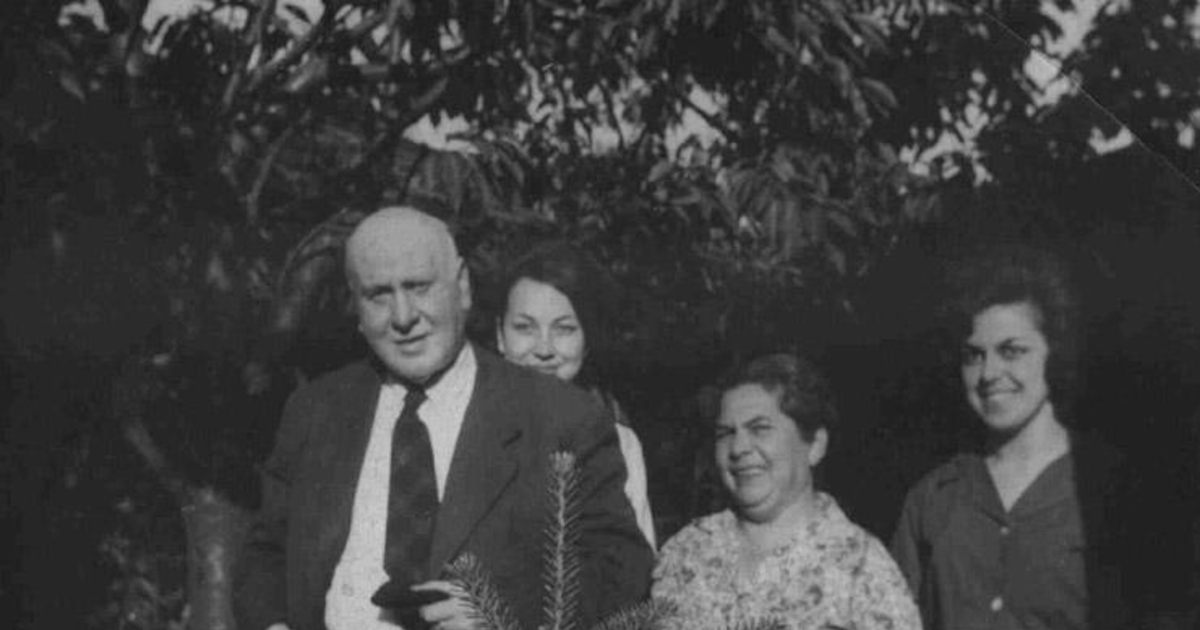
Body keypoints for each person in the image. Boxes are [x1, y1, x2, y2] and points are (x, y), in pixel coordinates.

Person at [234, 207, 654, 630]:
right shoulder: (315, 411)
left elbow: (622, 568)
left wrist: (507, 611)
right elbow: (265, 555)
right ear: (356, 308)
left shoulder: (561, 418)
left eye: (419, 287)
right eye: (379, 295)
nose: (403, 317)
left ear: (463, 286)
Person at [890, 243, 1187, 629]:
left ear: (1055, 353)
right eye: (974, 355)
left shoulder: (1113, 490)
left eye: (1012, 351)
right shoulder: (934, 498)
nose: (989, 373)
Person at [653, 353, 921, 630]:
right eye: (725, 433)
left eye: (760, 429)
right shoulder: (685, 551)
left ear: (815, 445)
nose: (738, 448)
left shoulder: (863, 570)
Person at [494, 241, 656, 546]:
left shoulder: (619, 442)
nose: (544, 349)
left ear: (587, 340)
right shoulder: (466, 426)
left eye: (564, 329)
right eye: (525, 328)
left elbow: (636, 560)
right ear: (500, 335)